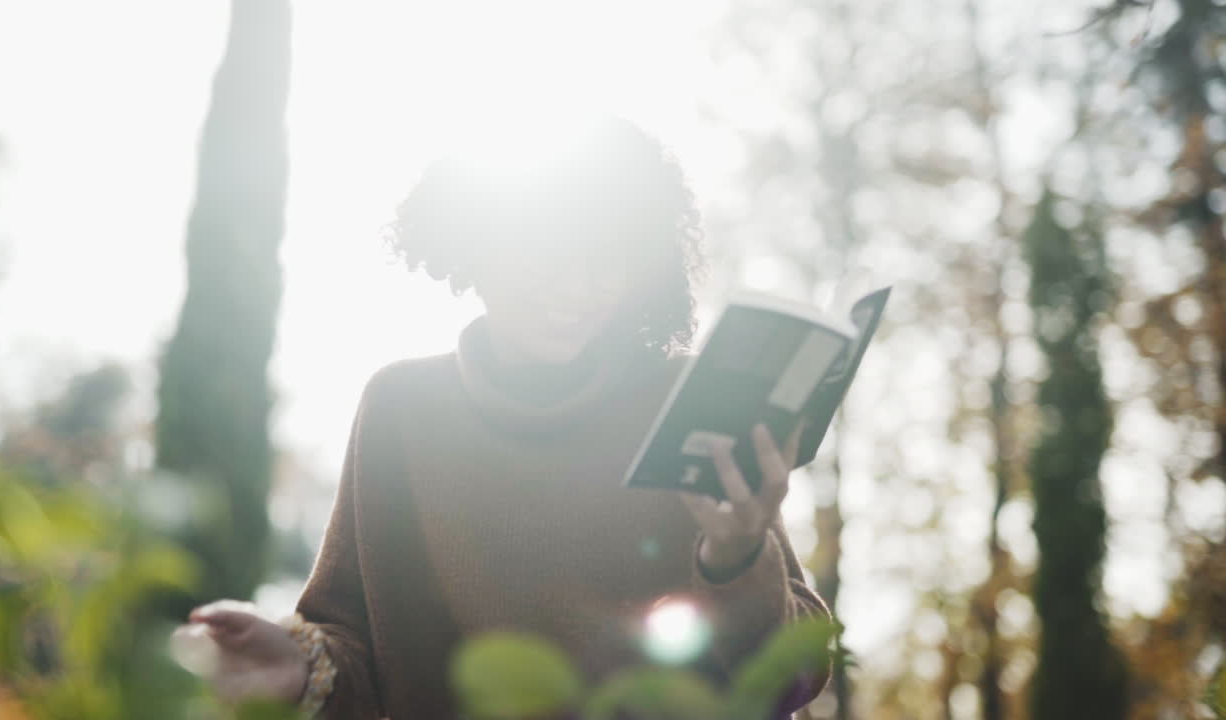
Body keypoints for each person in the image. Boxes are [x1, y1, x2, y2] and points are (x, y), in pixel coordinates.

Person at [179, 112, 832, 720]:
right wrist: (296, 665)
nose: (577, 285)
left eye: (608, 254)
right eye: (543, 250)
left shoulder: (687, 403)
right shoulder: (401, 410)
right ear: (476, 239)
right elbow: (357, 658)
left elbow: (792, 681)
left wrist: (736, 558)